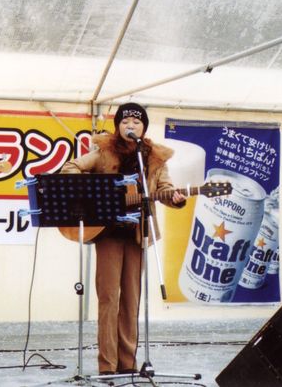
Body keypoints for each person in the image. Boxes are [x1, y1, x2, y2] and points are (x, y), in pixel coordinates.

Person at [61, 102, 187, 375]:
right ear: (118, 126)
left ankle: (127, 364)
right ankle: (107, 365)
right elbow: (71, 167)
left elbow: (165, 189)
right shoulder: (104, 151)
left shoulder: (154, 158)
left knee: (131, 300)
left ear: (144, 128)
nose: (130, 126)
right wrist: (94, 193)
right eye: (125, 122)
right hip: (107, 233)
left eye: (136, 123)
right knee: (108, 298)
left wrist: (176, 198)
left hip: (137, 233)